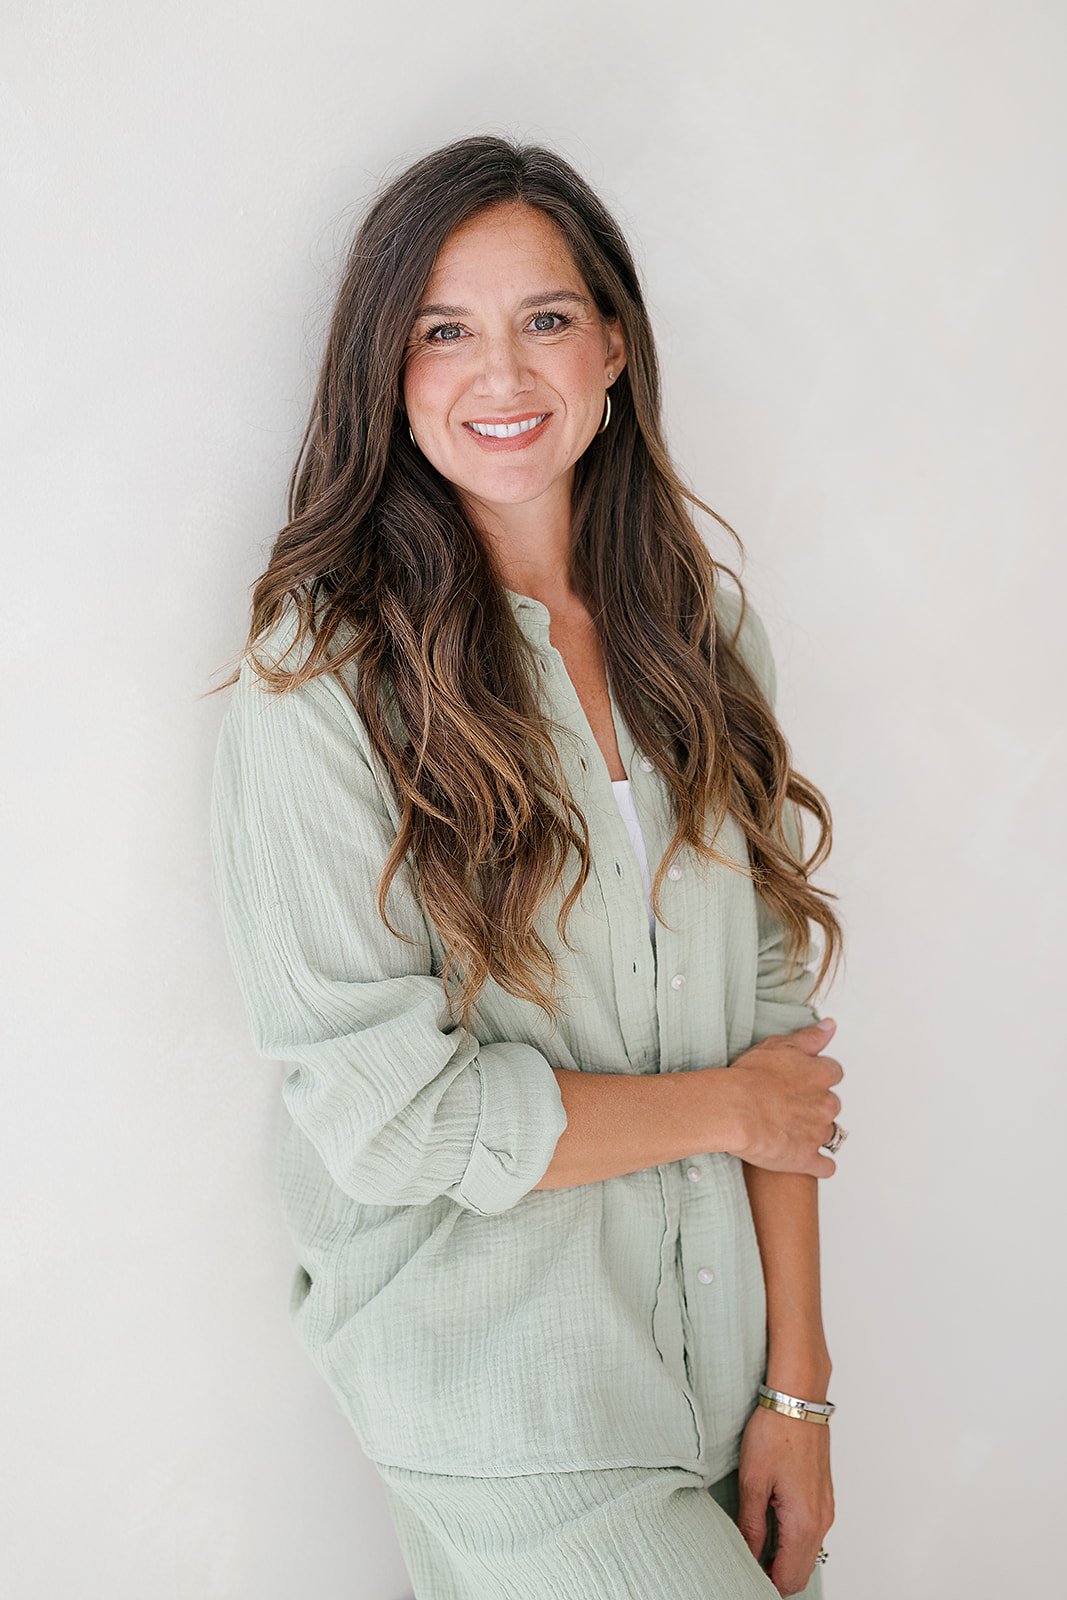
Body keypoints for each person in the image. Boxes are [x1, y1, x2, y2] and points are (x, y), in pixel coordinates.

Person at [208, 133, 848, 1600]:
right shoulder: (322, 680)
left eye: (544, 319)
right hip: (509, 1401)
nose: (501, 375)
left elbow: (779, 1048)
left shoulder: (701, 639)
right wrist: (722, 1108)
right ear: (387, 367)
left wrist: (800, 1393)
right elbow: (394, 1129)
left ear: (613, 346)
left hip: (722, 1369)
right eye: (444, 330)